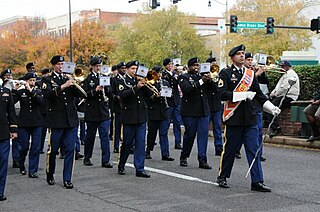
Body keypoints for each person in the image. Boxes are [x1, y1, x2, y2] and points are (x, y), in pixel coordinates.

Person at [216, 44, 281, 192]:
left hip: (250, 119)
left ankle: (257, 181)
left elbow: (259, 95)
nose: (242, 56)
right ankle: (223, 176)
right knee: (230, 150)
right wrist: (242, 95)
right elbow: (222, 94)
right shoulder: (225, 73)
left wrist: (271, 108)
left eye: (243, 53)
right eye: (238, 53)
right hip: (234, 118)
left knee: (254, 150)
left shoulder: (250, 75)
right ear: (232, 57)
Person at [42, 55, 86, 189]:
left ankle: (67, 178)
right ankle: (50, 174)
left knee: (70, 150)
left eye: (63, 64)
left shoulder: (69, 78)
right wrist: (63, 86)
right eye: (59, 64)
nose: (61, 67)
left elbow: (83, 95)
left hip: (70, 120)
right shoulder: (47, 79)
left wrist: (74, 83)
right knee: (53, 150)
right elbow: (47, 94)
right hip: (56, 120)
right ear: (54, 65)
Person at [116, 60, 152, 178]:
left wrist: (146, 85)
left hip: (141, 116)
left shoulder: (141, 80)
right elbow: (122, 95)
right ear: (127, 69)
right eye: (132, 68)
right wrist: (136, 87)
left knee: (141, 143)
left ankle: (140, 168)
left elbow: (148, 95)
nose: (135, 71)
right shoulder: (122, 80)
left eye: (136, 69)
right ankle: (121, 164)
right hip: (129, 116)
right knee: (127, 143)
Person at [178, 57, 212, 169]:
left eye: (198, 65)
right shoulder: (184, 77)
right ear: (189, 66)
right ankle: (184, 156)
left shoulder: (201, 77)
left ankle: (202, 159)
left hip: (203, 111)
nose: (196, 68)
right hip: (190, 111)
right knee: (190, 135)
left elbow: (214, 90)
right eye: (194, 65)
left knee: (203, 136)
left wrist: (210, 80)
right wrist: (202, 80)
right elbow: (187, 90)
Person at [12, 72, 45, 178]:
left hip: (37, 122)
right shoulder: (21, 92)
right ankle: (21, 164)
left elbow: (41, 102)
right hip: (24, 123)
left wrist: (31, 91)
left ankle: (33, 170)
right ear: (26, 81)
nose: (32, 82)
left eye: (33, 80)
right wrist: (14, 90)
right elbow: (11, 102)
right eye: (30, 80)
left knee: (35, 147)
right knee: (24, 147)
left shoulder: (38, 91)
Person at [82, 56, 113, 168]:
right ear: (92, 66)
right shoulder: (88, 79)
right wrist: (95, 90)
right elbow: (85, 94)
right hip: (92, 112)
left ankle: (105, 160)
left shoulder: (105, 77)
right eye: (96, 66)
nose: (98, 68)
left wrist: (106, 88)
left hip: (103, 111)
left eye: (100, 66)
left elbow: (110, 93)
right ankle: (87, 157)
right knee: (90, 136)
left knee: (105, 136)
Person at [145, 65, 174, 161]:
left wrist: (167, 93)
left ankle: (165, 154)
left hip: (163, 111)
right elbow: (147, 98)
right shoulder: (149, 83)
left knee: (163, 133)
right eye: (157, 73)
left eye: (160, 73)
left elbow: (170, 94)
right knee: (152, 133)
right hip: (153, 111)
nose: (159, 75)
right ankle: (148, 150)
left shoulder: (165, 82)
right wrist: (155, 96)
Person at [267, 60, 300, 136]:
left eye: (283, 66)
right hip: (284, 95)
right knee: (269, 106)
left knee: (271, 108)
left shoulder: (290, 74)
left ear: (288, 67)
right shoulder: (286, 74)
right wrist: (272, 94)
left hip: (289, 96)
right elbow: (278, 87)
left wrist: (274, 95)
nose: (281, 68)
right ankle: (271, 125)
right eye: (281, 66)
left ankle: (276, 128)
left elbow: (284, 88)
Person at [0, 83, 18, 201]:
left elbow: (11, 111)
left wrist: (13, 129)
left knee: (3, 161)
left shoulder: (6, 91)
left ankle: (0, 191)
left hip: (3, 132)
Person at [1, 69, 20, 168]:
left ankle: (16, 159)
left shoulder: (9, 90)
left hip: (9, 124)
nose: (9, 77)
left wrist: (15, 90)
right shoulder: (4, 89)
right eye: (6, 75)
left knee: (4, 159)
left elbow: (11, 108)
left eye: (10, 75)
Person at [162, 58, 182, 150]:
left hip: (176, 100)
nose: (170, 66)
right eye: (169, 64)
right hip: (169, 101)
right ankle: (164, 142)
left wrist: (177, 74)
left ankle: (178, 142)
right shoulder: (163, 74)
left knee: (177, 122)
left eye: (171, 64)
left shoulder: (175, 74)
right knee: (166, 122)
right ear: (165, 65)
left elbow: (178, 83)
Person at [205, 57, 223, 156]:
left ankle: (219, 147)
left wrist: (214, 78)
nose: (214, 66)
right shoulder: (204, 77)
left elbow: (218, 89)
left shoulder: (218, 77)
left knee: (217, 127)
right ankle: (203, 149)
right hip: (207, 106)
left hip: (216, 105)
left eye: (215, 64)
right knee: (204, 128)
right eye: (212, 64)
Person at [111, 62, 126, 153]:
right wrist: (116, 97)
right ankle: (116, 145)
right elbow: (111, 91)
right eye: (122, 68)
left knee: (127, 127)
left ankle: (126, 144)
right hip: (118, 106)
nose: (124, 69)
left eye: (125, 68)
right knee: (117, 127)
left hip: (127, 106)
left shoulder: (127, 79)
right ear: (118, 69)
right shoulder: (114, 79)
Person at [39, 68, 51, 154]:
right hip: (43, 109)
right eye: (46, 74)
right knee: (43, 131)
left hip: (51, 109)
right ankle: (40, 147)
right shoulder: (40, 82)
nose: (48, 75)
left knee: (53, 131)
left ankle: (53, 147)